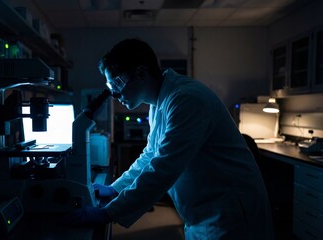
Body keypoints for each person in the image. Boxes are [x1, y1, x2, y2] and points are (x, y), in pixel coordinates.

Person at [64, 38, 274, 239]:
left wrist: (107, 213)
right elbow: (151, 156)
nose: (116, 95)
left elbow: (164, 167)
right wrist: (115, 188)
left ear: (141, 73)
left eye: (117, 85)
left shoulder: (186, 99)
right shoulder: (159, 102)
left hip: (231, 213)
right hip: (203, 211)